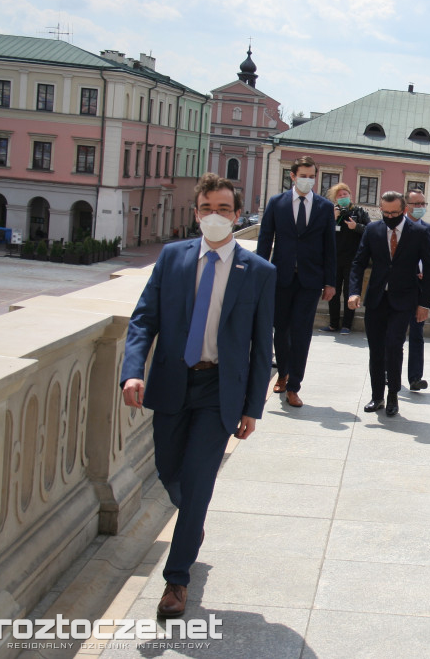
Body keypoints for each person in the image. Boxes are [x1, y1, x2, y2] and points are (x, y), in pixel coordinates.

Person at [120, 173, 275, 618]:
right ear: (196, 213)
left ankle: (176, 581)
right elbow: (142, 320)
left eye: (223, 209)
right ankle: (193, 524)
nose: (214, 216)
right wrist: (133, 372)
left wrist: (252, 407)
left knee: (199, 481)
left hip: (218, 389)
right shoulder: (172, 258)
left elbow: (262, 346)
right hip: (171, 382)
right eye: (206, 208)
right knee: (170, 472)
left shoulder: (259, 272)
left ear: (237, 215)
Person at [256, 156, 337, 408]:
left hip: (310, 280)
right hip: (280, 277)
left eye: (312, 176)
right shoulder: (276, 203)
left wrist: (330, 282)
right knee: (281, 330)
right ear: (292, 176)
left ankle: (294, 386)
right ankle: (282, 373)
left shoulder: (324, 207)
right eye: (303, 175)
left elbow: (329, 247)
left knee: (301, 333)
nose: (308, 180)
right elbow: (265, 240)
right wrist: (259, 275)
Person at [348, 191, 430, 417]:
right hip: (377, 298)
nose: (389, 216)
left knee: (394, 346)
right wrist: (354, 292)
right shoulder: (372, 230)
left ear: (404, 210)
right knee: (376, 349)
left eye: (394, 213)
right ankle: (377, 396)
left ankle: (393, 396)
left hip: (404, 299)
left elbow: (429, 270)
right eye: (385, 212)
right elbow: (358, 263)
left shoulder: (419, 233)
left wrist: (424, 304)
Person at [404, 189, 430, 391]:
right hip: (400, 289)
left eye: (423, 204)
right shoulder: (398, 227)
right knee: (395, 334)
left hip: (420, 290)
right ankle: (387, 372)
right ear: (406, 205)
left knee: (417, 334)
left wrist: (426, 272)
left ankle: (415, 378)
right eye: (416, 204)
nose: (420, 208)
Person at [321, 182, 369, 335]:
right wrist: (332, 218)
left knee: (350, 293)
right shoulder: (331, 213)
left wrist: (357, 227)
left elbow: (371, 231)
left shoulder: (359, 211)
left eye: (345, 194)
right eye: (340, 195)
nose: (343, 197)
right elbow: (320, 232)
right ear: (335, 198)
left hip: (353, 260)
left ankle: (347, 325)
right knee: (333, 292)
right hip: (334, 260)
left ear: (350, 195)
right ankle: (333, 324)